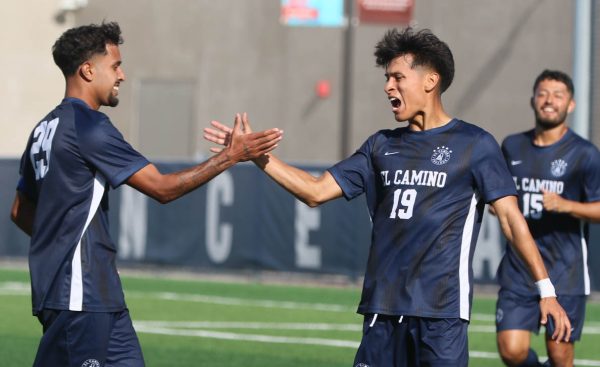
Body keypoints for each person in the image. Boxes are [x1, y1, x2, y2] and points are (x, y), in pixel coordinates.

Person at [204, 28, 571, 366]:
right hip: (381, 312)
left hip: (440, 316)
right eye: (386, 79)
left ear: (431, 80)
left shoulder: (475, 145)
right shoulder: (380, 145)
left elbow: (510, 219)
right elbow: (315, 192)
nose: (388, 87)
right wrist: (256, 157)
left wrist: (546, 291)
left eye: (397, 77)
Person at [10, 22, 282, 367]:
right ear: (88, 70)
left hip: (99, 295)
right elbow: (162, 188)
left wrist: (60, 243)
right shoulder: (89, 125)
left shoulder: (43, 129)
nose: (122, 75)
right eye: (115, 66)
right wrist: (231, 155)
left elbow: (20, 211)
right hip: (79, 297)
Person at [494, 70, 600, 367]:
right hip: (519, 271)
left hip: (566, 274)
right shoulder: (512, 146)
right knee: (511, 351)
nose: (549, 101)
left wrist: (566, 205)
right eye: (543, 94)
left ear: (571, 105)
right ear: (532, 100)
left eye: (558, 95)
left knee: (559, 355)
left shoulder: (585, 154)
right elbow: (499, 195)